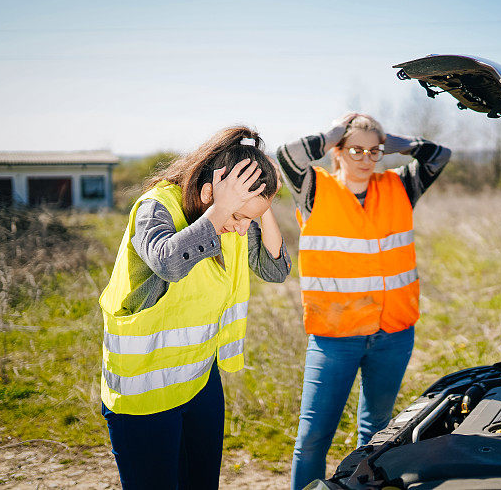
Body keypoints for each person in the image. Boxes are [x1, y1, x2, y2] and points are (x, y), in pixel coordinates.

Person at [99, 127, 291, 490]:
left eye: (249, 219)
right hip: (144, 393)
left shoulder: (234, 216)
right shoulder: (156, 207)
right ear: (208, 193)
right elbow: (168, 262)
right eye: (240, 217)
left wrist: (263, 204)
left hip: (200, 380)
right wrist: (222, 211)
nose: (240, 229)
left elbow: (276, 269)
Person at [277, 113, 451, 490]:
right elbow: (287, 156)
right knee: (312, 440)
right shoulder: (314, 189)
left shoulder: (400, 185)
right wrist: (333, 133)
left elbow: (439, 155)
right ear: (336, 152)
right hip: (335, 336)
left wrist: (400, 143)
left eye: (375, 151)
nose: (366, 158)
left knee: (377, 433)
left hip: (393, 332)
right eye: (355, 149)